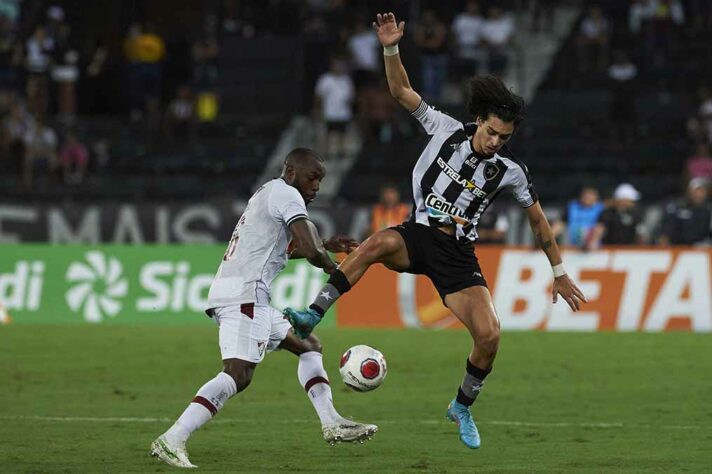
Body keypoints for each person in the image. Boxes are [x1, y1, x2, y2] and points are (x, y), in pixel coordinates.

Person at [284, 13, 587, 451]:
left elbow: (538, 221)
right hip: (417, 234)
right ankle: (313, 313)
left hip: (458, 256)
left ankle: (462, 406)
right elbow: (400, 90)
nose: (496, 142)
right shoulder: (443, 128)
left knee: (490, 337)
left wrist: (559, 271)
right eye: (491, 132)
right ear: (478, 119)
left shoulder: (511, 172)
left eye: (504, 137)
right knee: (377, 242)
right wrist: (391, 47)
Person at [150, 148, 377, 469]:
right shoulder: (287, 194)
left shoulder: (270, 192)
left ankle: (332, 421)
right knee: (238, 374)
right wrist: (333, 267)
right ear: (291, 171)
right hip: (244, 294)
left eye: (321, 180)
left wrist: (327, 244)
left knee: (308, 345)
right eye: (312, 177)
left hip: (246, 294)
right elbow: (309, 249)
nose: (316, 186)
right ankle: (172, 439)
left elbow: (283, 247)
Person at [587, 183, 644, 249]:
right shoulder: (608, 213)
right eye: (630, 199)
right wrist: (594, 241)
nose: (632, 202)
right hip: (610, 249)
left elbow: (639, 233)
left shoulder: (634, 213)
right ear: (623, 199)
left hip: (629, 251)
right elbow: (600, 229)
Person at [658, 178, 711, 246]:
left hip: (703, 247)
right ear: (689, 192)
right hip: (679, 246)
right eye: (696, 191)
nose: (698, 194)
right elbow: (667, 228)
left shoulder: (709, 210)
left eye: (701, 191)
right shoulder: (679, 207)